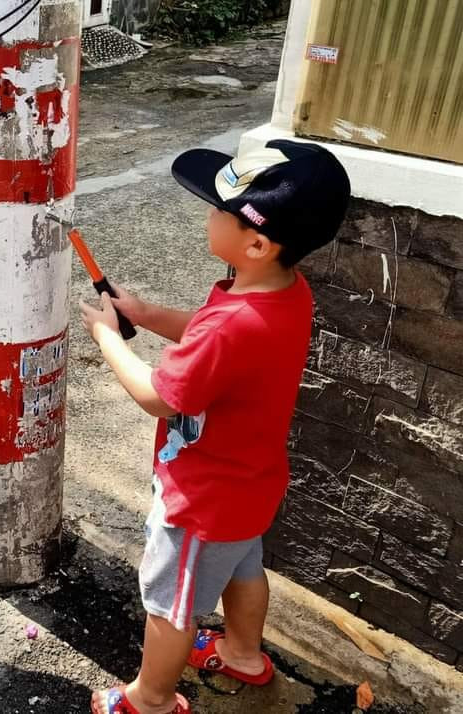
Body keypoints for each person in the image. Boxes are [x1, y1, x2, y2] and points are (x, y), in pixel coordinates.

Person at [79, 141, 350, 714]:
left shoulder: (230, 327)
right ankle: (244, 654)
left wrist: (107, 337)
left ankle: (149, 699)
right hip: (249, 482)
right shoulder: (284, 294)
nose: (206, 217)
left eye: (215, 211)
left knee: (170, 604)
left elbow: (158, 395)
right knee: (244, 569)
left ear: (255, 242)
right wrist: (148, 315)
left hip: (201, 501)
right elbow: (211, 337)